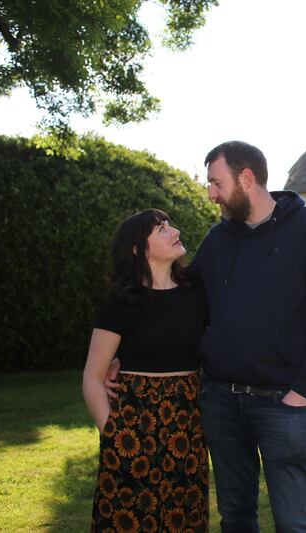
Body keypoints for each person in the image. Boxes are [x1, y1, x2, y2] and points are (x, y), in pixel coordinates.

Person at [194, 141, 306, 532]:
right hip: (221, 403)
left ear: (246, 178)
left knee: (295, 521)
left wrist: (301, 388)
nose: (210, 194)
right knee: (235, 518)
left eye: (216, 182)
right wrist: (121, 351)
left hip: (284, 404)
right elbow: (185, 304)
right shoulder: (217, 240)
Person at [84, 209, 209, 532]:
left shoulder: (197, 293)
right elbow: (93, 379)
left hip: (187, 427)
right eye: (162, 229)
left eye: (169, 225)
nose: (175, 231)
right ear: (139, 249)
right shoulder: (122, 301)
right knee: (130, 519)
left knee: (183, 517)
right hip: (133, 427)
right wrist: (112, 435)